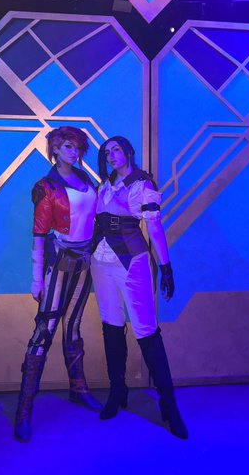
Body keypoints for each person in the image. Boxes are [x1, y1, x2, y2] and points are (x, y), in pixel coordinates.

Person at [91, 136, 188, 439]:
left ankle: (169, 405)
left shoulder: (142, 185)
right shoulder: (103, 185)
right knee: (111, 325)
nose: (112, 155)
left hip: (132, 263)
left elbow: (154, 228)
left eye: (117, 149)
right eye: (107, 152)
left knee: (146, 330)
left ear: (129, 151)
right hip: (100, 262)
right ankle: (117, 391)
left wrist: (166, 267)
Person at [14, 126, 102, 443]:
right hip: (59, 261)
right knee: (45, 330)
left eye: (77, 147)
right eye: (67, 146)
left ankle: (78, 388)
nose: (73, 152)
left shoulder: (86, 179)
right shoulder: (47, 186)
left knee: (73, 327)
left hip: (84, 261)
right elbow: (39, 234)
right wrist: (36, 277)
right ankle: (24, 409)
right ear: (54, 149)